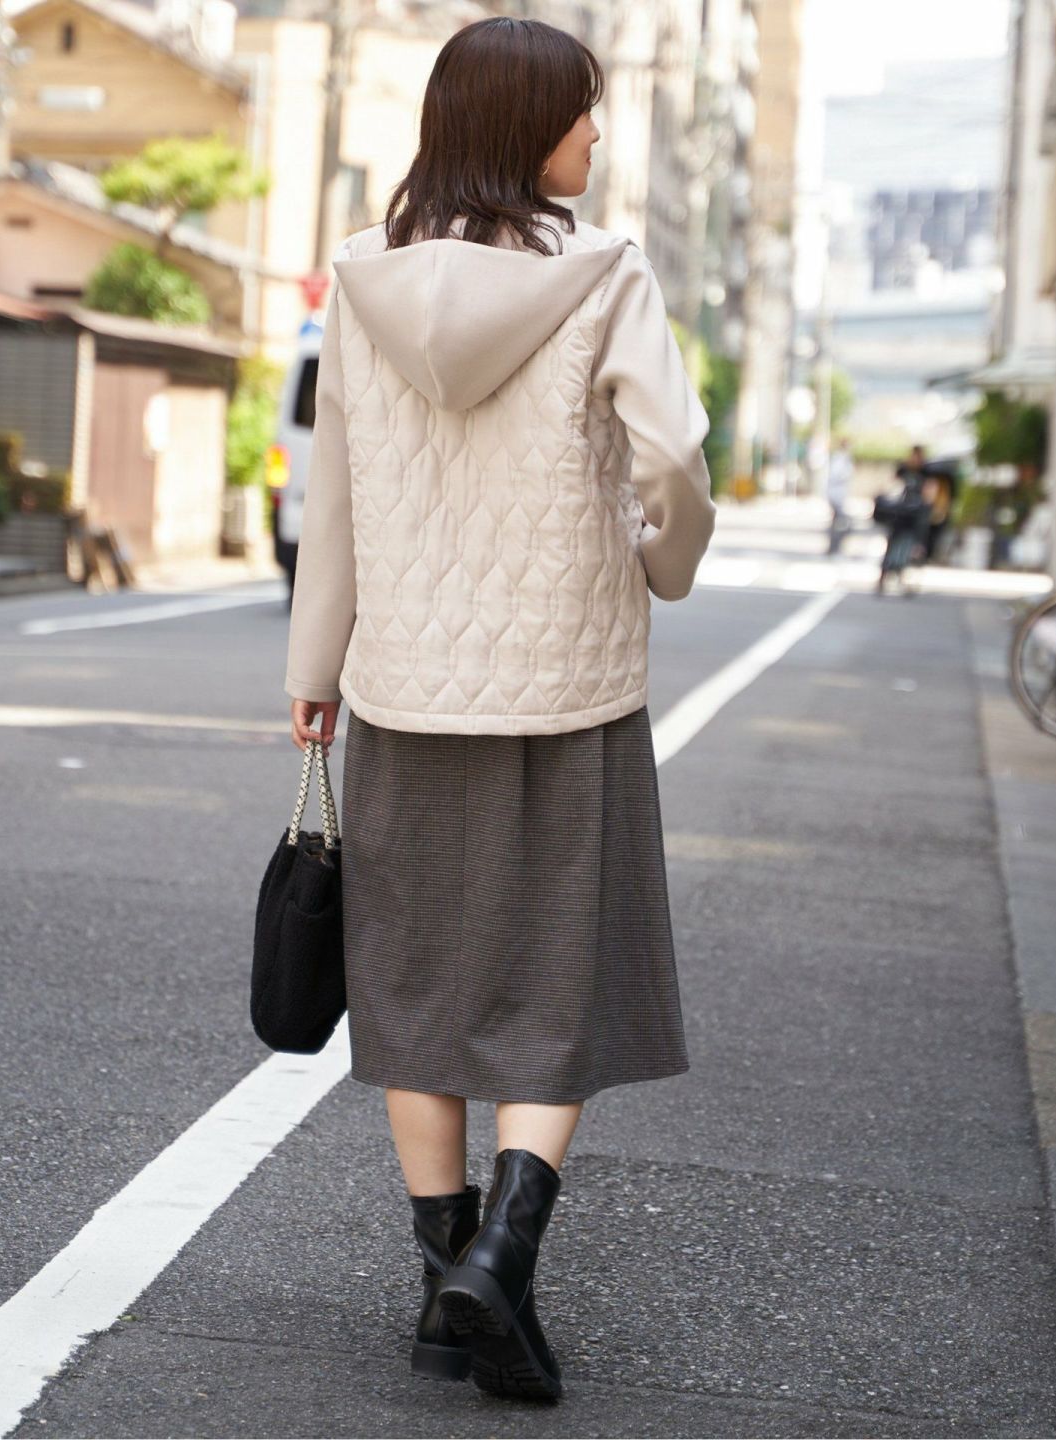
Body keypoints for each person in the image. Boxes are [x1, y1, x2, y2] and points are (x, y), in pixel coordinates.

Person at [282, 16, 716, 1405]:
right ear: (531, 125)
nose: (595, 134)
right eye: (583, 111)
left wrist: (314, 667)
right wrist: (661, 561)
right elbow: (674, 455)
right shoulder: (604, 270)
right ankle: (503, 1261)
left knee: (414, 984)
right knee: (556, 979)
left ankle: (443, 1287)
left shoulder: (363, 276)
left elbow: (336, 494)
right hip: (569, 681)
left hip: (406, 682)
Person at [877, 444, 932, 595]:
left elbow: (929, 489)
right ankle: (885, 573)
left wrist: (926, 504)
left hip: (916, 512)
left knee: (913, 541)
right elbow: (892, 484)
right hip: (900, 510)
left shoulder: (925, 471)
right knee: (893, 540)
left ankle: (903, 570)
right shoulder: (903, 468)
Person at [825, 436, 854, 554]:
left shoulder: (845, 458)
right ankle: (834, 546)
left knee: (838, 522)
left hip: (838, 494)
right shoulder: (840, 459)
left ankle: (834, 547)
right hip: (835, 494)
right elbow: (836, 475)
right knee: (842, 522)